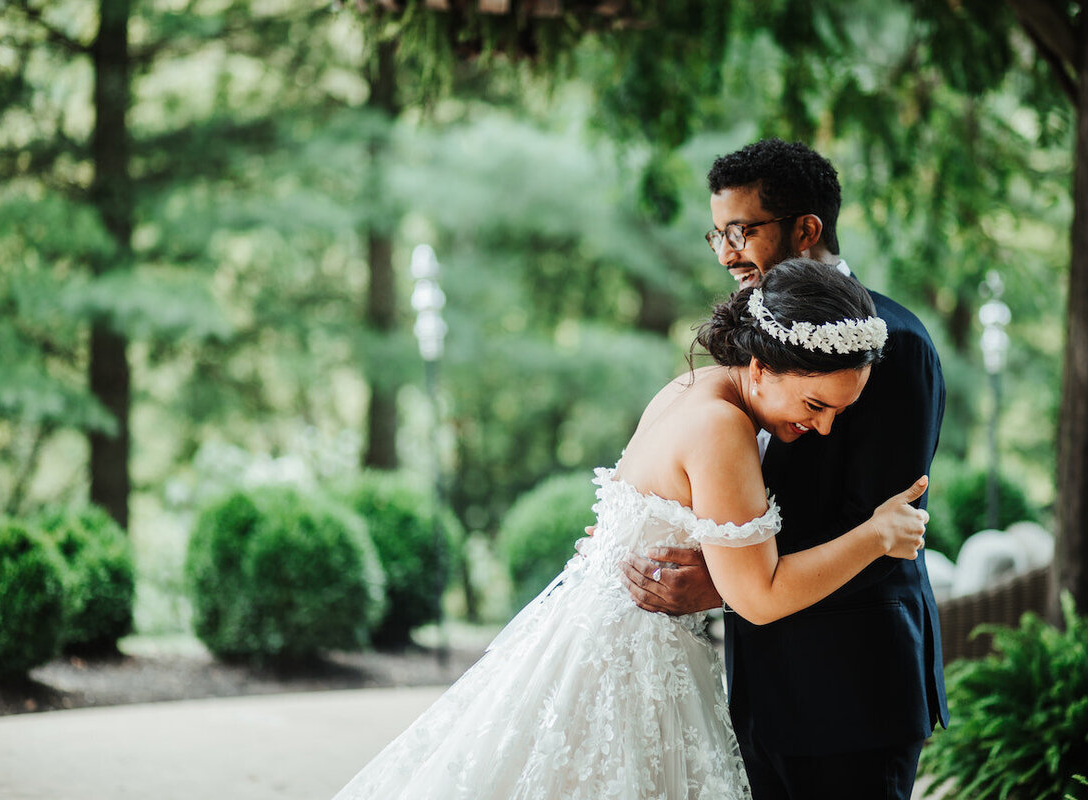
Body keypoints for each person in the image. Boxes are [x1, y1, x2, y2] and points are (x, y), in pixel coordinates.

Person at [330, 259, 930, 800]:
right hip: (630, 668)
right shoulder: (723, 429)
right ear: (762, 366)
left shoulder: (689, 385)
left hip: (587, 638)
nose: (824, 429)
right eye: (814, 406)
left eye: (839, 413)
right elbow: (760, 597)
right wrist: (878, 534)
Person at [620, 138, 949, 799]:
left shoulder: (893, 343)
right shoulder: (737, 362)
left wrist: (723, 585)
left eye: (742, 231)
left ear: (806, 229)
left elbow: (883, 534)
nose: (725, 253)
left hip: (850, 692)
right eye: (717, 233)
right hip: (757, 685)